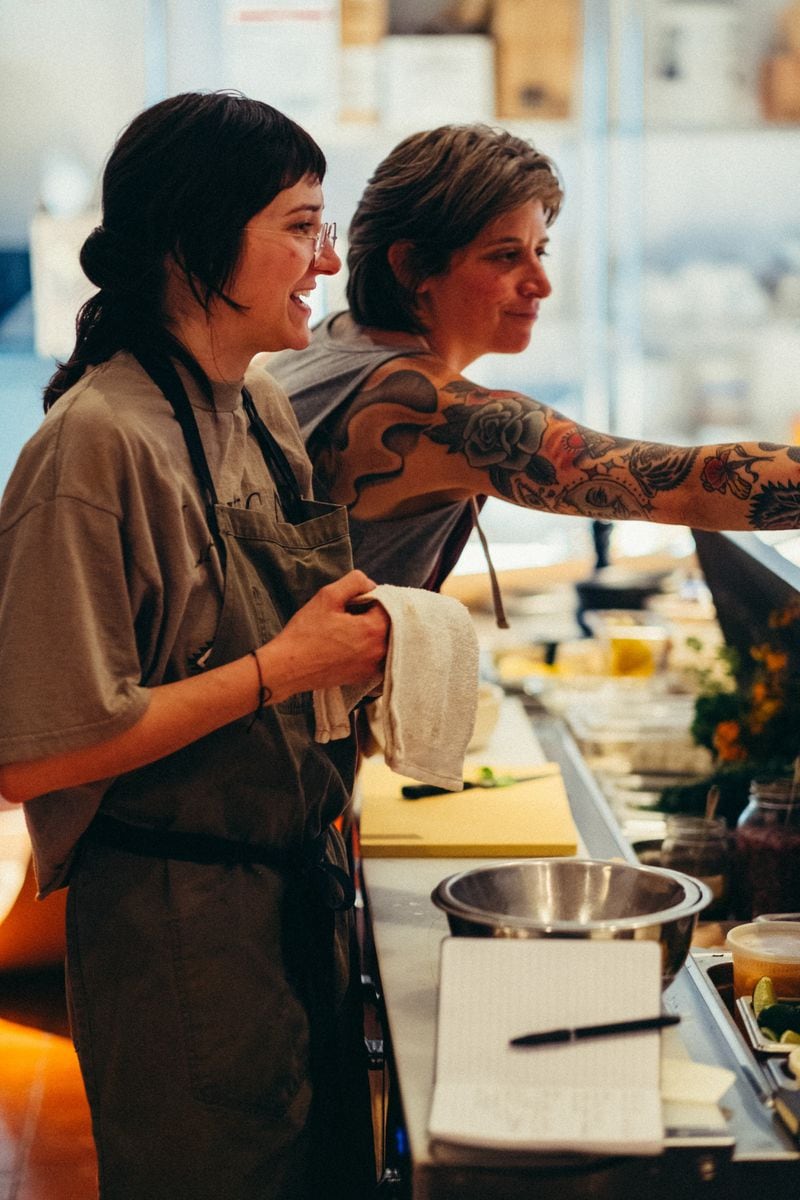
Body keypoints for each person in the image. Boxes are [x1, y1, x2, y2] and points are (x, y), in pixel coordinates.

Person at [0, 92, 390, 1200]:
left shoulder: (252, 401)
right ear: (192, 244)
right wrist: (284, 669)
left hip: (286, 898)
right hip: (177, 937)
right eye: (298, 226)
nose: (324, 260)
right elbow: (35, 755)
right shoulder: (93, 448)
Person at [267, 124, 800, 609]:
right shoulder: (428, 408)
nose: (540, 284)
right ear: (411, 266)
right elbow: (685, 487)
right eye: (505, 256)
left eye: (539, 252)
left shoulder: (335, 336)